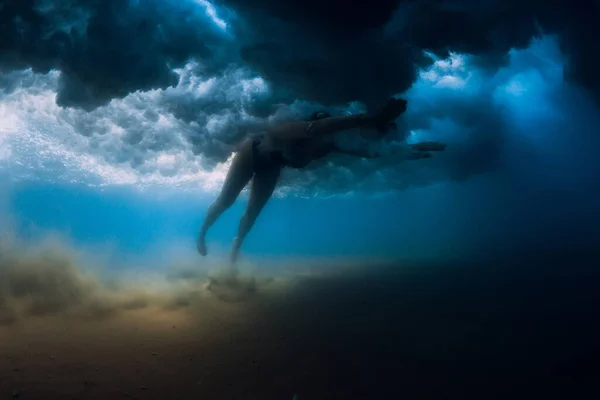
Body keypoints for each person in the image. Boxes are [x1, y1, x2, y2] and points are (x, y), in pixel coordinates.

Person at [196, 98, 446, 264]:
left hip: (272, 166)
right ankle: (203, 232)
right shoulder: (289, 131)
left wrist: (411, 149)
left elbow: (370, 152)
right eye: (324, 128)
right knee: (226, 200)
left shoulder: (329, 144)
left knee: (253, 212)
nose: (327, 135)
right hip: (252, 153)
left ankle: (236, 247)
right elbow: (314, 130)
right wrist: (369, 118)